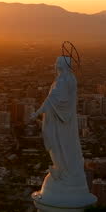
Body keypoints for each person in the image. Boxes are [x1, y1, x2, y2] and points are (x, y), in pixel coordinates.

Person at [29, 55, 84, 184]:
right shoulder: (70, 79)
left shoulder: (62, 81)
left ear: (61, 66)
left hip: (57, 122)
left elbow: (51, 101)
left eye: (56, 64)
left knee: (56, 144)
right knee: (65, 145)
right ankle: (64, 169)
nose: (54, 66)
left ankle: (62, 170)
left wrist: (36, 113)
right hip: (65, 121)